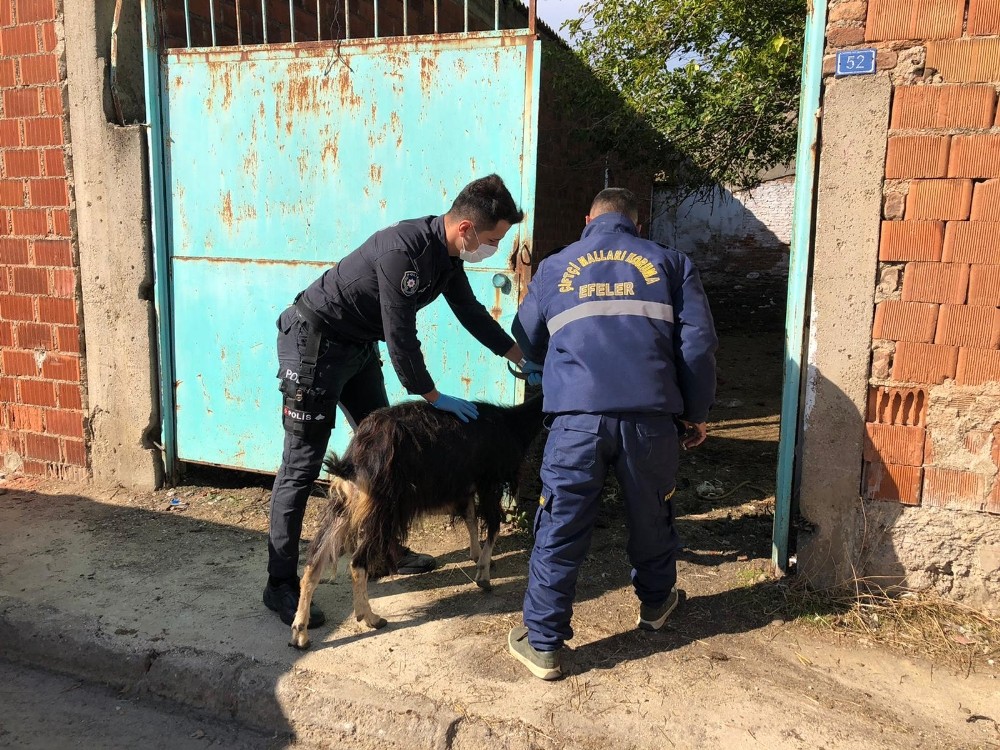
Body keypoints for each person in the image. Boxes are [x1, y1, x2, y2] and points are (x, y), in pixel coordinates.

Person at [265, 174, 543, 628]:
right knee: (302, 461)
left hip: (356, 346)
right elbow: (401, 339)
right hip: (314, 343)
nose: (495, 248)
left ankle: (383, 548)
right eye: (493, 239)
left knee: (380, 450)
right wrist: (434, 396)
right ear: (467, 229)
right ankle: (279, 584)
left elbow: (472, 313)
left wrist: (520, 356)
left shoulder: (447, 258)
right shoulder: (404, 253)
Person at [506, 187, 718, 680]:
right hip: (650, 422)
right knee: (652, 516)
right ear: (637, 225)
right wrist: (696, 412)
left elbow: (527, 337)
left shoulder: (556, 267)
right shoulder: (672, 264)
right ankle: (657, 605)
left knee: (559, 526)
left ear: (588, 218)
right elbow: (698, 345)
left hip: (576, 423)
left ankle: (543, 644)